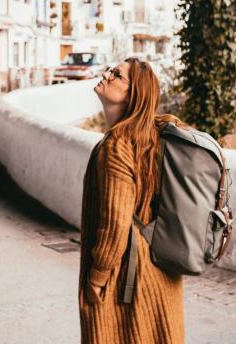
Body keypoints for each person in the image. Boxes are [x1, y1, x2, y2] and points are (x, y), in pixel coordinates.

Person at [79, 57, 187, 343]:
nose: (107, 74)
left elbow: (115, 224)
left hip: (130, 279)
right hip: (161, 274)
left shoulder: (116, 146)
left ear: (133, 96)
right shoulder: (149, 137)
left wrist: (97, 277)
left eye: (117, 75)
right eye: (111, 70)